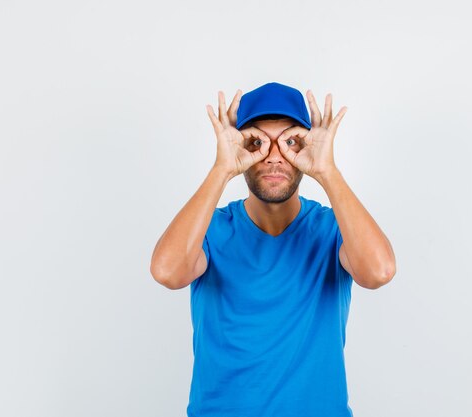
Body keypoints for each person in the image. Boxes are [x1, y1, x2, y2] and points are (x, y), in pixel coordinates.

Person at [150, 82, 396, 417]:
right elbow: (167, 272)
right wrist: (221, 169)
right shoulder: (211, 229)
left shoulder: (332, 229)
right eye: (257, 142)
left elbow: (379, 272)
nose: (275, 156)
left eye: (291, 141)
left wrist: (328, 171)